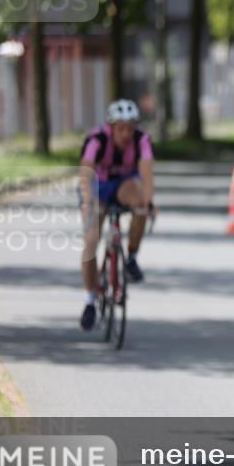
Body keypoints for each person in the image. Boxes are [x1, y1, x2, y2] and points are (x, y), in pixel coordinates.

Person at [78, 99, 155, 330]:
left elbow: (146, 173)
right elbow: (85, 171)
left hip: (124, 184)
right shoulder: (97, 139)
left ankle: (131, 256)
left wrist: (149, 201)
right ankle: (90, 299)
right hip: (97, 187)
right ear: (111, 127)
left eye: (130, 128)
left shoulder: (142, 140)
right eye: (121, 128)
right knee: (91, 241)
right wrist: (87, 201)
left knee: (141, 203)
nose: (126, 133)